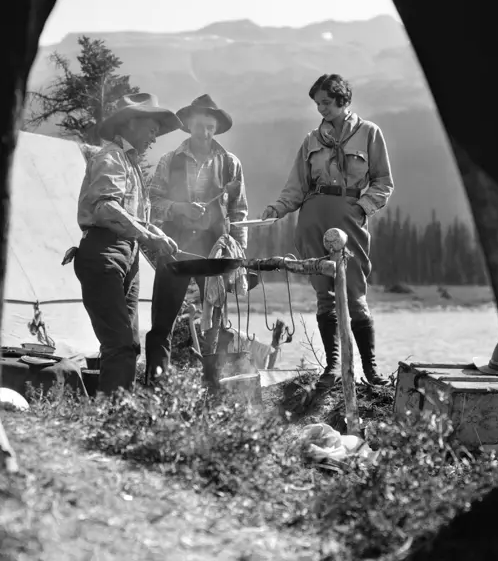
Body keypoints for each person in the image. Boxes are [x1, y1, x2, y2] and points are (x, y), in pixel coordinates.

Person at [262, 74, 394, 388]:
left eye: (326, 102)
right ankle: (332, 368)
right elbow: (296, 187)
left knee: (355, 292)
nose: (321, 108)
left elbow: (383, 182)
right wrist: (277, 209)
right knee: (325, 294)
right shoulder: (311, 140)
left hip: (349, 220)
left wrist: (361, 208)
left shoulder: (369, 133)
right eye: (317, 103)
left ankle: (371, 371)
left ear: (342, 100)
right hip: (312, 220)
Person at [72, 93, 182, 395]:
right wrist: (149, 236)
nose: (154, 137)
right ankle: (113, 422)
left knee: (129, 346)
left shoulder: (129, 164)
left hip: (126, 257)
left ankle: (119, 417)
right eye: (151, 128)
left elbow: (129, 215)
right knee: (119, 344)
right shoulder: (110, 157)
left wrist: (155, 232)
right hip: (104, 253)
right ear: (131, 123)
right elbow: (106, 207)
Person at [145, 94, 248, 383]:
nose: (205, 132)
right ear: (189, 125)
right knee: (161, 323)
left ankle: (214, 387)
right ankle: (156, 389)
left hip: (215, 250)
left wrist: (239, 257)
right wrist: (179, 208)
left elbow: (239, 211)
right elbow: (152, 201)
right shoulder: (169, 160)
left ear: (216, 129)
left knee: (215, 324)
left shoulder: (230, 163)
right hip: (174, 245)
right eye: (200, 126)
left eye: (210, 127)